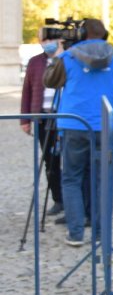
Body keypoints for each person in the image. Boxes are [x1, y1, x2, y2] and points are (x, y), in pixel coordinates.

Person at [44, 18, 113, 246]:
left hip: (74, 124)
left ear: (80, 34)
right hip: (106, 126)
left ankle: (76, 232)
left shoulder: (68, 57)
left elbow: (48, 81)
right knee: (103, 180)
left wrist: (57, 54)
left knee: (71, 178)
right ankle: (101, 233)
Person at [20, 29, 63, 216]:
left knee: (68, 161)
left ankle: (75, 201)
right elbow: (27, 91)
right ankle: (58, 199)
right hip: (42, 117)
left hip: (64, 116)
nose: (48, 42)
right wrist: (25, 119)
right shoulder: (35, 62)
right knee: (50, 161)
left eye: (51, 39)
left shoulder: (66, 60)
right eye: (44, 40)